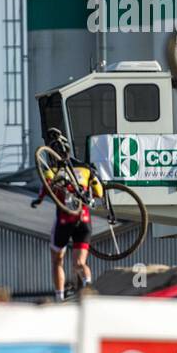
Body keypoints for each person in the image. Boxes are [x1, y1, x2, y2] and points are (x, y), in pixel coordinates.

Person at [31, 129, 101, 301]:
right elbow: (99, 191)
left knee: (57, 260)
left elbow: (45, 189)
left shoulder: (52, 170)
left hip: (64, 220)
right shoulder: (85, 170)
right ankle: (88, 285)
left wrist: (38, 200)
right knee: (79, 264)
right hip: (84, 220)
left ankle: (59, 297)